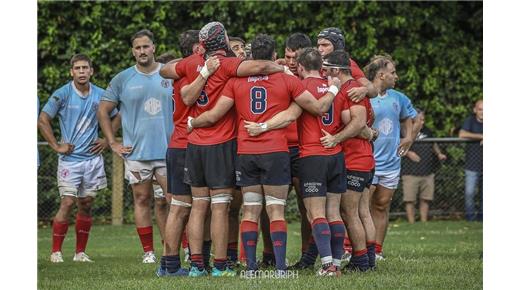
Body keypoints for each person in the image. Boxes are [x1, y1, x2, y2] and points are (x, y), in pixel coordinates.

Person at [191, 38, 341, 276]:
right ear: (274, 57)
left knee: (250, 210)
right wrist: (333, 88)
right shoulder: (288, 79)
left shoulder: (236, 82)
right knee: (276, 210)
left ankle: (251, 268)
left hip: (246, 153)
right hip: (276, 151)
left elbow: (214, 115)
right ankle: (280, 269)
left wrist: (192, 121)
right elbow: (316, 108)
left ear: (250, 59)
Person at [164, 22, 287, 277]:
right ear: (224, 40)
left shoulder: (191, 63)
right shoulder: (228, 65)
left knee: (198, 205)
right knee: (220, 206)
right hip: (219, 144)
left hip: (193, 143)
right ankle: (221, 266)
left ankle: (197, 266)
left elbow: (164, 70)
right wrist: (282, 67)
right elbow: (262, 66)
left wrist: (200, 68)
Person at [97, 29, 173, 264]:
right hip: (136, 153)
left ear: (154, 48)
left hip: (168, 151)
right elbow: (103, 111)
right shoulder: (122, 79)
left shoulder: (170, 73)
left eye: (146, 46)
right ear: (133, 51)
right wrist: (112, 142)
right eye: (138, 47)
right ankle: (148, 252)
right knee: (141, 200)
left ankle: (179, 249)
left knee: (174, 201)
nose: (142, 51)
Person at [38, 54, 120, 263]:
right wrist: (56, 146)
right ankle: (56, 252)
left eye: (85, 68)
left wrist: (106, 140)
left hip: (92, 160)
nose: (82, 72)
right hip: (69, 161)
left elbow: (119, 115)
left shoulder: (102, 95)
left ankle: (80, 254)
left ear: (91, 71)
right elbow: (43, 120)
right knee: (67, 202)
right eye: (77, 68)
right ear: (71, 72)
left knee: (86, 203)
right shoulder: (62, 94)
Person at [318, 50, 379, 272]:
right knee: (363, 212)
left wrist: (336, 138)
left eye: (326, 70)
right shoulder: (352, 88)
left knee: (350, 212)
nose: (323, 74)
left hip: (355, 159)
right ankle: (369, 260)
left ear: (335, 70)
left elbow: (358, 122)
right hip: (364, 158)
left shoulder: (350, 89)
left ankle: (361, 260)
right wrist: (370, 133)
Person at [364, 54, 418, 260]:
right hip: (368, 162)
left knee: (381, 206)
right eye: (393, 72)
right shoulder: (364, 95)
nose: (396, 76)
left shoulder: (399, 98)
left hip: (391, 163)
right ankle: (358, 249)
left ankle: (377, 250)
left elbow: (410, 119)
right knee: (362, 208)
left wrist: (408, 138)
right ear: (381, 75)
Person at [402, 109, 447, 223]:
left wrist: (439, 153)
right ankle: (411, 222)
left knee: (425, 199)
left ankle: (423, 221)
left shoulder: (428, 131)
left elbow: (433, 144)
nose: (422, 122)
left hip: (427, 172)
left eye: (423, 119)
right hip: (410, 173)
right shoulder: (404, 131)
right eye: (419, 119)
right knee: (410, 200)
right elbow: (395, 145)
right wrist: (408, 153)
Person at [316, 27, 377, 101]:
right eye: (318, 45)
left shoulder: (347, 64)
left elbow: (373, 91)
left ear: (337, 46)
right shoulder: (316, 63)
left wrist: (365, 90)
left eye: (325, 45)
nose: (320, 49)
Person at [458, 100, 483, 221]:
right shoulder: (470, 121)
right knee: (470, 193)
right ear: (475, 110)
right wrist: (482, 136)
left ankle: (483, 217)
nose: (483, 112)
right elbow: (462, 134)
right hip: (472, 166)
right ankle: (471, 217)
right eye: (480, 109)